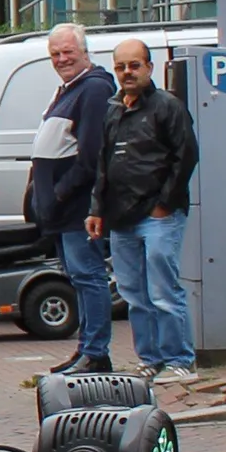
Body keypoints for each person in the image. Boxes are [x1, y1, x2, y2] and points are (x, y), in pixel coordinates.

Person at [92, 37, 201, 383]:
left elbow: (186, 156)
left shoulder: (168, 106)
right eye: (121, 67)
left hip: (159, 217)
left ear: (149, 68)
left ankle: (179, 360)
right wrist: (97, 209)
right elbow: (104, 164)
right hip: (122, 218)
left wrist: (164, 204)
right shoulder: (113, 110)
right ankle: (150, 358)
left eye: (134, 65)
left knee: (163, 291)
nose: (127, 72)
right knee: (133, 294)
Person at [25, 23, 118, 376]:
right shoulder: (69, 89)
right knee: (77, 277)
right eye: (55, 54)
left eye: (68, 52)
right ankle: (86, 349)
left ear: (84, 51)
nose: (62, 59)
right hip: (62, 209)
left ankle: (95, 352)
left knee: (88, 275)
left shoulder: (93, 89)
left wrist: (60, 193)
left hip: (78, 208)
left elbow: (91, 154)